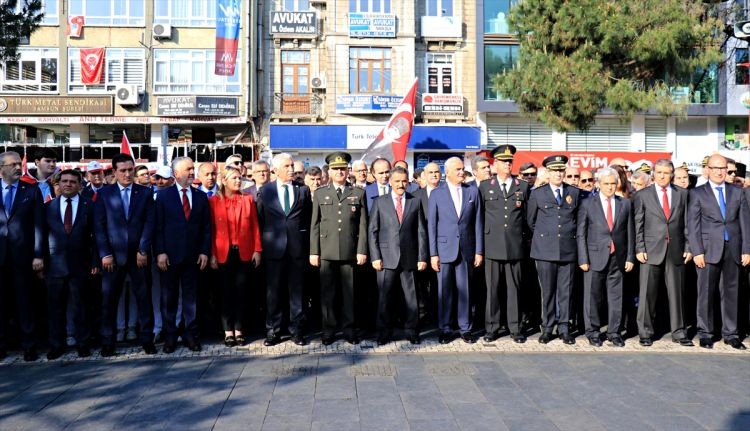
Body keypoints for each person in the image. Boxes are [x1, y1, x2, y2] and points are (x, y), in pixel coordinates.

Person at [94, 153, 156, 357]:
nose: (128, 174)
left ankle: (147, 340)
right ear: (114, 172)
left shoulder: (145, 192)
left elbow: (149, 223)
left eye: (131, 169)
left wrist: (143, 249)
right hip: (113, 256)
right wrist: (105, 254)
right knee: (108, 301)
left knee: (144, 298)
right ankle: (108, 342)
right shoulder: (104, 194)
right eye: (123, 170)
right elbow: (99, 226)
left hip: (139, 256)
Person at [688, 154, 749, 350]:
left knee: (731, 293)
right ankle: (705, 333)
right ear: (707, 170)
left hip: (733, 249)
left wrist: (746, 249)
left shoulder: (737, 192)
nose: (719, 171)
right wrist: (697, 251)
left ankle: (730, 334)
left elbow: (745, 224)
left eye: (722, 168)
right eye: (715, 168)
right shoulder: (697, 193)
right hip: (707, 250)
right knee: (706, 292)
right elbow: (693, 225)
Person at [633, 159, 693, 347]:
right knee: (647, 294)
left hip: (675, 250)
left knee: (677, 294)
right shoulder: (643, 195)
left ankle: (679, 332)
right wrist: (640, 247)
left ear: (672, 174)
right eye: (658, 172)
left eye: (666, 173)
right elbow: (638, 224)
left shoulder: (682, 194)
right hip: (650, 250)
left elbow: (687, 224)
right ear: (653, 173)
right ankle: (645, 332)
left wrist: (688, 247)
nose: (662, 176)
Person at [310, 152, 368, 345]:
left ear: (347, 170)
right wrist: (314, 251)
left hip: (350, 250)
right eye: (335, 169)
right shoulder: (320, 193)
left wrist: (361, 250)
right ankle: (328, 330)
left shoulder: (358, 193)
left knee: (349, 293)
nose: (340, 172)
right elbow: (315, 225)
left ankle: (349, 329)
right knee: (327, 293)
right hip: (326, 251)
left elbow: (362, 225)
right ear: (330, 171)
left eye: (343, 168)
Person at [153, 157, 211, 353]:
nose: (192, 172)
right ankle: (170, 336)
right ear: (176, 174)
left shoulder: (200, 197)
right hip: (169, 256)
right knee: (169, 297)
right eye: (188, 169)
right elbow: (158, 227)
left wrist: (204, 251)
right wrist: (160, 252)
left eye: (193, 168)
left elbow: (206, 228)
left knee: (190, 298)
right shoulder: (163, 196)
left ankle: (190, 334)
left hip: (193, 256)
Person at [256, 153, 312, 346]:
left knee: (297, 292)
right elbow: (260, 219)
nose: (291, 170)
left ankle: (297, 330)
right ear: (276, 170)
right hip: (274, 249)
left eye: (292, 166)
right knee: (274, 292)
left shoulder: (303, 190)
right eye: (287, 166)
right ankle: (273, 330)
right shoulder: (266, 191)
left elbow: (308, 218)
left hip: (297, 249)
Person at [368, 166, 428, 345]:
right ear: (390, 182)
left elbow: (421, 232)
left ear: (408, 181)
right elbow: (372, 231)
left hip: (409, 258)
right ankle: (384, 332)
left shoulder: (414, 201)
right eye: (397, 181)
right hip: (386, 258)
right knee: (384, 298)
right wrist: (375, 256)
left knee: (411, 298)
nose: (401, 184)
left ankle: (412, 331)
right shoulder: (380, 202)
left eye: (404, 181)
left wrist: (422, 257)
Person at [577, 167, 635, 347]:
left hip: (618, 257)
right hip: (594, 257)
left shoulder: (624, 203)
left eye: (613, 183)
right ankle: (593, 331)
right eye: (606, 184)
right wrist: (583, 259)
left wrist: (630, 257)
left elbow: (630, 232)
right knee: (592, 296)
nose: (610, 187)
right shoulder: (588, 203)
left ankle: (614, 332)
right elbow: (581, 233)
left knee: (616, 297)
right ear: (598, 184)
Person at [428, 157, 484, 344]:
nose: (462, 172)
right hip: (444, 249)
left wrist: (479, 251)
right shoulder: (437, 194)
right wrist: (433, 253)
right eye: (458, 169)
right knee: (445, 292)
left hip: (466, 250)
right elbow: (432, 226)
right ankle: (445, 328)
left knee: (465, 290)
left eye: (463, 169)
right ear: (448, 172)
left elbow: (478, 223)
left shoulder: (472, 192)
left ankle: (465, 328)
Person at [527, 155, 581, 344]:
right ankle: (547, 327)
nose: (558, 173)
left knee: (566, 291)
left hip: (568, 249)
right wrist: (546, 237)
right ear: (548, 173)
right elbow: (531, 222)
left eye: (561, 170)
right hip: (544, 250)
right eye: (554, 170)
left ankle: (564, 327)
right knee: (547, 291)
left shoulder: (574, 192)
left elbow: (577, 220)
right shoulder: (537, 193)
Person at [44, 169, 97, 360]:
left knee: (81, 307)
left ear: (79, 185)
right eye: (64, 181)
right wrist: (40, 261)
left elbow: (96, 236)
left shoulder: (89, 206)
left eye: (73, 181)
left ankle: (83, 344)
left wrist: (94, 261)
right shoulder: (48, 207)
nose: (68, 184)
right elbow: (41, 237)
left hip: (81, 265)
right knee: (55, 308)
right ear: (58, 184)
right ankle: (56, 345)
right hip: (54, 266)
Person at [479, 145, 529, 343]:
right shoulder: (485, 186)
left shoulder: (522, 186)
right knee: (492, 289)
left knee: (514, 288)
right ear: (495, 163)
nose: (508, 164)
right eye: (504, 161)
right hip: (492, 244)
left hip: (515, 244)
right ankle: (491, 327)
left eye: (510, 161)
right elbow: (480, 217)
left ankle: (515, 328)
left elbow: (526, 217)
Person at [209, 166, 262, 347]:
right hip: (223, 253)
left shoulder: (247, 200)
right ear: (224, 181)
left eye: (239, 178)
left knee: (242, 292)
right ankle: (227, 330)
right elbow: (211, 230)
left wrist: (257, 250)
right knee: (225, 293)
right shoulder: (213, 201)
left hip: (244, 252)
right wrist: (212, 255)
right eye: (234, 178)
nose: (238, 181)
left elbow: (255, 226)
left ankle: (239, 329)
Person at [0, 151, 44, 361]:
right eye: (13, 165)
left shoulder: (32, 190)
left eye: (19, 164)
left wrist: (38, 255)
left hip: (23, 257)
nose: (18, 168)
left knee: (25, 301)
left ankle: (29, 345)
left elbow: (38, 226)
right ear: (1, 169)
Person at [412, 162, 441, 326]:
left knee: (439, 284)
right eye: (430, 172)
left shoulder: (447, 193)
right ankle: (424, 315)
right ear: (424, 175)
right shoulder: (416, 196)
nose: (434, 175)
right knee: (422, 285)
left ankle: (437, 315)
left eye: (437, 172)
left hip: (442, 247)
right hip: (422, 247)